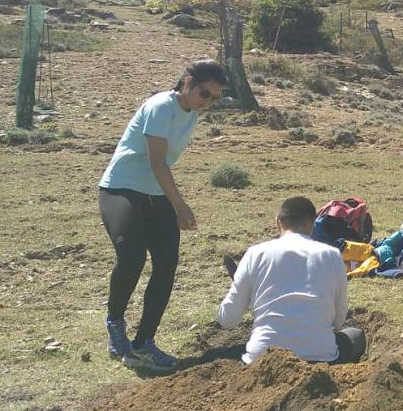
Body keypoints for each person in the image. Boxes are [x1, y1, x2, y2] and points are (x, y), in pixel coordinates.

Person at [98, 58, 228, 372]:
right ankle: (115, 321)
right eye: (205, 94)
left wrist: (171, 204)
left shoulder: (191, 115)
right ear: (188, 81)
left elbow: (161, 168)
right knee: (132, 257)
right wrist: (180, 206)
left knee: (167, 263)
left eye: (214, 98)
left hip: (155, 194)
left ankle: (142, 345)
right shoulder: (160, 106)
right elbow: (158, 163)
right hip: (121, 189)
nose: (207, 102)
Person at [218, 196, 367, 365]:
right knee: (355, 334)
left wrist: (242, 290)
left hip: (262, 360)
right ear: (312, 223)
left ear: (278, 222)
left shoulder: (255, 253)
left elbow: (227, 320)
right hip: (320, 359)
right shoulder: (332, 255)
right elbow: (337, 321)